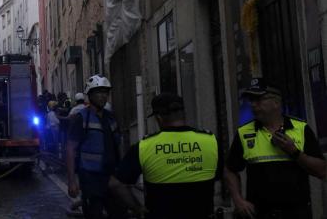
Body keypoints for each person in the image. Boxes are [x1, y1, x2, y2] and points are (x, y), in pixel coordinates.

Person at [224, 78, 325, 219]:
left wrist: (294, 152)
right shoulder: (244, 133)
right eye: (251, 100)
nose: (253, 105)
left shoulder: (300, 129)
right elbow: (230, 170)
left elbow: (322, 171)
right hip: (260, 214)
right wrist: (238, 201)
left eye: (258, 100)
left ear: (276, 103)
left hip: (296, 213)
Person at [109, 93, 222, 219]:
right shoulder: (210, 141)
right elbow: (224, 174)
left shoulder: (144, 147)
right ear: (183, 114)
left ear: (159, 118)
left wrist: (137, 208)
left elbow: (115, 184)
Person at [66, 75, 124, 219]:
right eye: (99, 92)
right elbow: (70, 149)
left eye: (105, 92)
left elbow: (118, 145)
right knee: (94, 214)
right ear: (90, 95)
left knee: (119, 213)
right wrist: (72, 181)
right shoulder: (81, 118)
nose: (103, 96)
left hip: (111, 176)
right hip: (90, 179)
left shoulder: (111, 118)